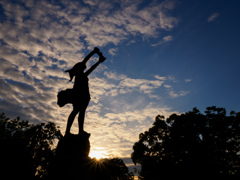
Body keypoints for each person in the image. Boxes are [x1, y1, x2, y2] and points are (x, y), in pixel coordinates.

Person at [64, 47, 106, 135]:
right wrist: (97, 59)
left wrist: (95, 54)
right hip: (80, 96)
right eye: (82, 66)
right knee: (76, 112)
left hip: (84, 96)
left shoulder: (81, 74)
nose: (84, 65)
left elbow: (86, 62)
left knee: (80, 112)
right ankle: (69, 131)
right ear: (79, 68)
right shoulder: (80, 75)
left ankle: (79, 131)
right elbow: (88, 64)